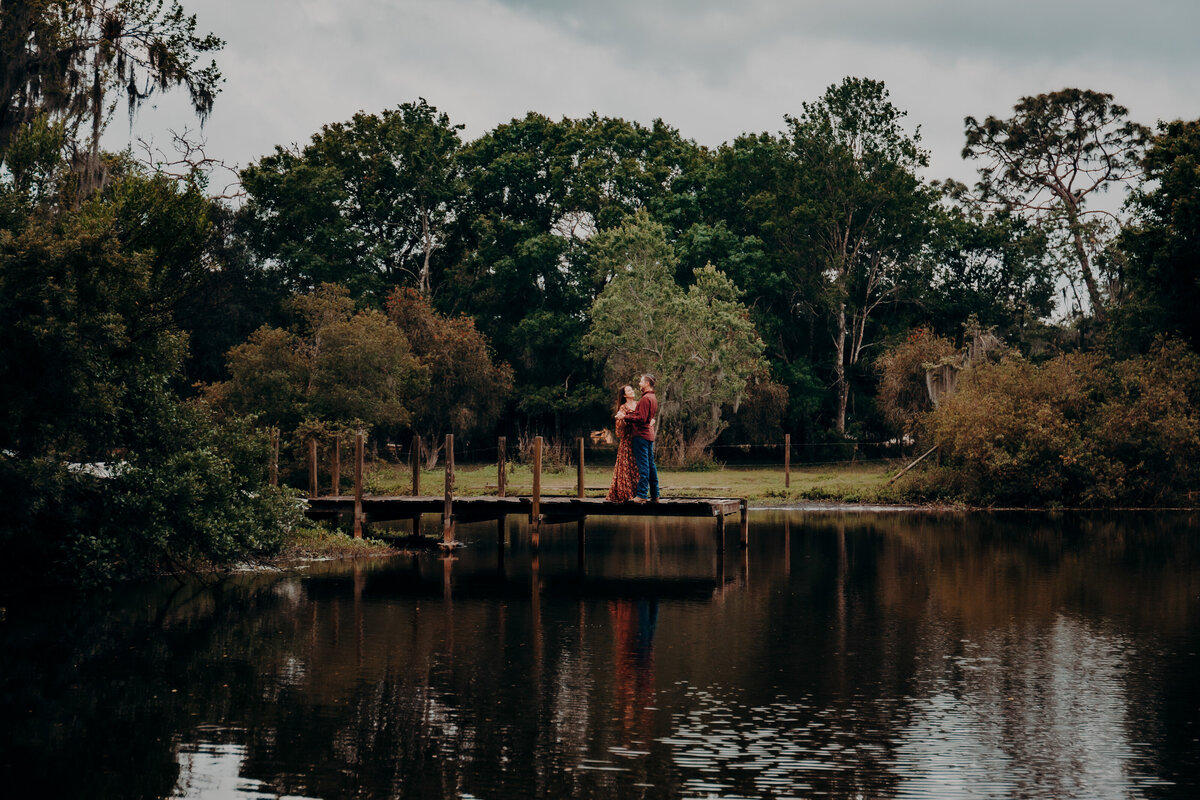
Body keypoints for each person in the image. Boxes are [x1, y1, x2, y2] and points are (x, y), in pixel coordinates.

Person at [617, 373, 659, 502]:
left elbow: (641, 418)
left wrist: (625, 417)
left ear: (647, 383)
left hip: (641, 436)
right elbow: (646, 418)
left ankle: (641, 495)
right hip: (648, 435)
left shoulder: (645, 399)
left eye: (641, 381)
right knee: (651, 466)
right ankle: (655, 494)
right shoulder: (652, 398)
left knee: (644, 466)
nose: (639, 384)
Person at [605, 385, 640, 502]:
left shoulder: (638, 404)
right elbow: (619, 430)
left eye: (631, 389)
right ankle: (626, 493)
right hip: (627, 441)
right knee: (626, 467)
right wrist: (621, 419)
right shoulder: (623, 408)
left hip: (638, 440)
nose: (632, 391)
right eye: (629, 390)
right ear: (625, 395)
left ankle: (638, 493)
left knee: (636, 468)